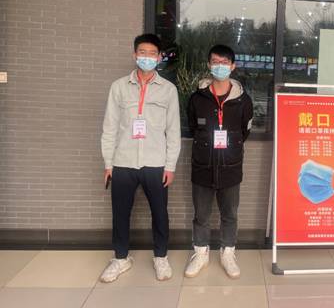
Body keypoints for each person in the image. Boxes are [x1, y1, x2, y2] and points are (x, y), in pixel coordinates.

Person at [100, 34, 181, 283]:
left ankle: (161, 257)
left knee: (160, 213)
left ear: (159, 57)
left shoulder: (168, 90)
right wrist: (108, 163)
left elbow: (173, 131)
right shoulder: (118, 87)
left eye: (152, 53)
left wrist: (170, 166)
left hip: (156, 163)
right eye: (142, 52)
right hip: (123, 161)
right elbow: (110, 127)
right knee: (120, 213)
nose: (147, 57)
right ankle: (121, 258)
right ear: (135, 55)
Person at [184, 44, 253, 279]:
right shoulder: (197, 98)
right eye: (215, 62)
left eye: (224, 63)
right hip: (202, 166)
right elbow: (193, 127)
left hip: (230, 168)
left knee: (230, 214)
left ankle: (228, 253)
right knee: (201, 215)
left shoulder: (243, 100)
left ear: (233, 66)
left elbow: (244, 131)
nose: (220, 66)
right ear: (209, 65)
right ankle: (200, 254)